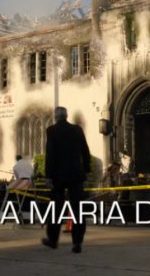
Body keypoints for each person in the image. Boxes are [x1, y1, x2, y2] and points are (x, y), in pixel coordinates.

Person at [41, 106, 91, 254]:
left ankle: (53, 240)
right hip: (75, 174)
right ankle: (77, 242)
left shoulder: (52, 130)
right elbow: (85, 151)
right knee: (77, 209)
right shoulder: (77, 130)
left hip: (58, 176)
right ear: (67, 115)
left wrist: (48, 175)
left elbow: (50, 154)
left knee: (56, 209)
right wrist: (86, 169)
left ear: (55, 117)